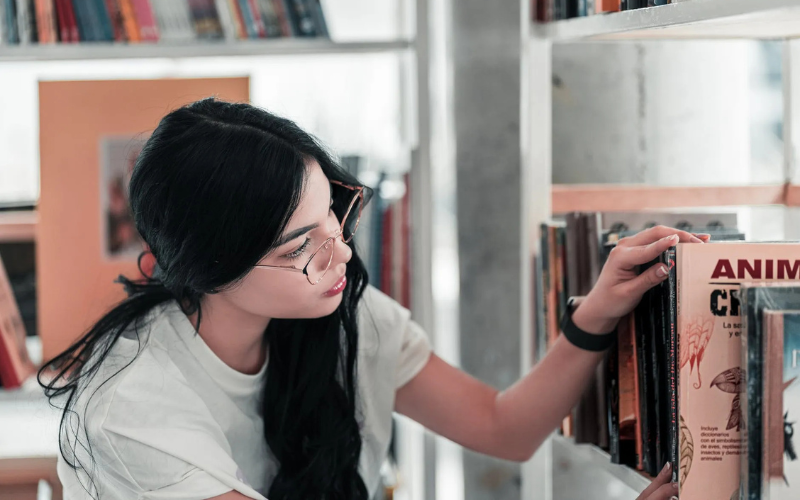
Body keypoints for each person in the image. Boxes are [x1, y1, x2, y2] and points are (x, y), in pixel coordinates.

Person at [40, 98, 702, 500]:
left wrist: (598, 313)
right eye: (302, 245)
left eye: (335, 218)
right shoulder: (131, 406)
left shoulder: (339, 309)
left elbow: (505, 428)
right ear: (203, 268)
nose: (344, 255)